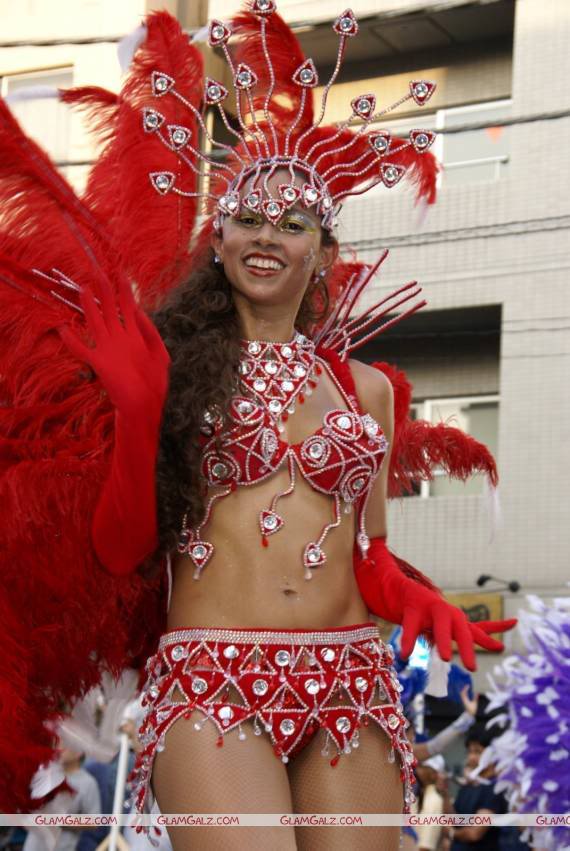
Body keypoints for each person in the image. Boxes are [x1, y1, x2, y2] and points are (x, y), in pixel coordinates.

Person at [0, 3, 517, 849]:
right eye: (248, 218)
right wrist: (137, 413)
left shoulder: (367, 391)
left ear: (323, 248)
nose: (267, 236)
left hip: (351, 677)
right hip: (213, 678)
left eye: (293, 222)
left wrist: (417, 597)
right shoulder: (170, 368)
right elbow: (126, 551)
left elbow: (368, 554)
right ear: (219, 237)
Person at [438, 727, 508, 851]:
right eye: (469, 752)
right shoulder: (468, 786)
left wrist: (451, 833)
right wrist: (444, 794)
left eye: (478, 752)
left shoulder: (495, 789)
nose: (471, 757)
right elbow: (455, 820)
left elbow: (474, 833)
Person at [22, 751, 101, 851]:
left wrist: (61, 821)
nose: (60, 749)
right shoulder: (44, 773)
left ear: (79, 752)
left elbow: (94, 821)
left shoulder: (88, 783)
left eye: (66, 745)